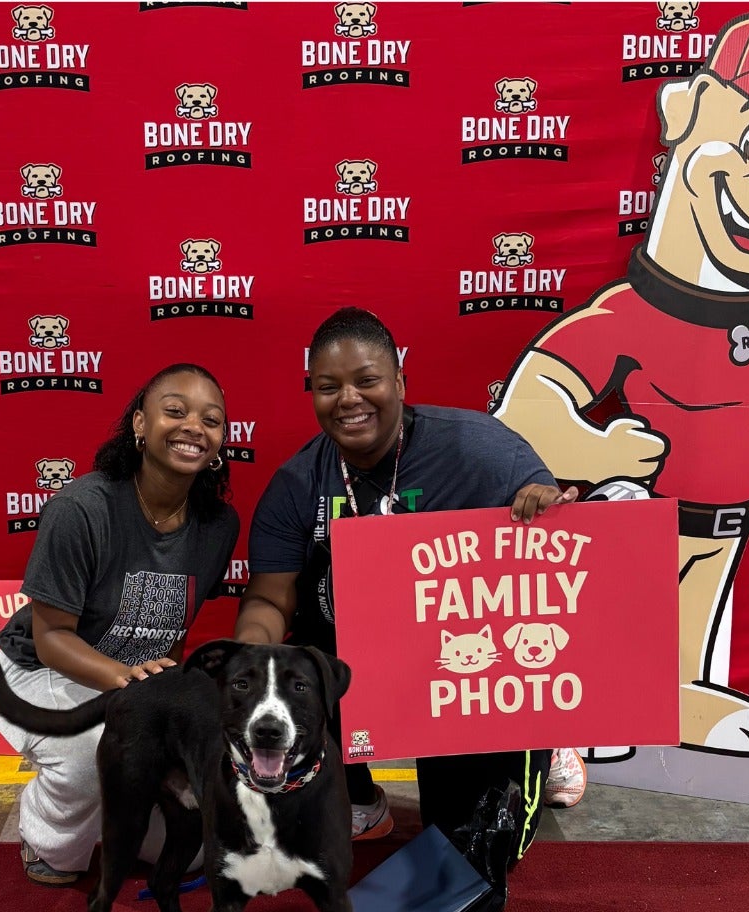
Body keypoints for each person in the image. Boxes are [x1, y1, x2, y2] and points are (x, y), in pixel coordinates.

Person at [233, 306, 583, 861]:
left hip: (465, 663)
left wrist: (544, 504)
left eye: (367, 380)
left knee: (475, 855)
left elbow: (552, 532)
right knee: (299, 668)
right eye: (328, 387)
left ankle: (545, 739)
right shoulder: (298, 482)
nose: (348, 399)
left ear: (399, 381)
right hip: (357, 657)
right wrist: (253, 660)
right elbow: (270, 596)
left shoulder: (476, 447)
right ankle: (358, 798)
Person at [0, 364, 239, 886]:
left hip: (134, 677)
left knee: (191, 849)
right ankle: (46, 835)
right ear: (140, 425)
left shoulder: (217, 525)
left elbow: (172, 627)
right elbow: (52, 638)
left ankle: (121, 808)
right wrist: (133, 688)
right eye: (175, 411)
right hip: (40, 666)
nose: (194, 425)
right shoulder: (82, 508)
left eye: (211, 419)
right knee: (91, 752)